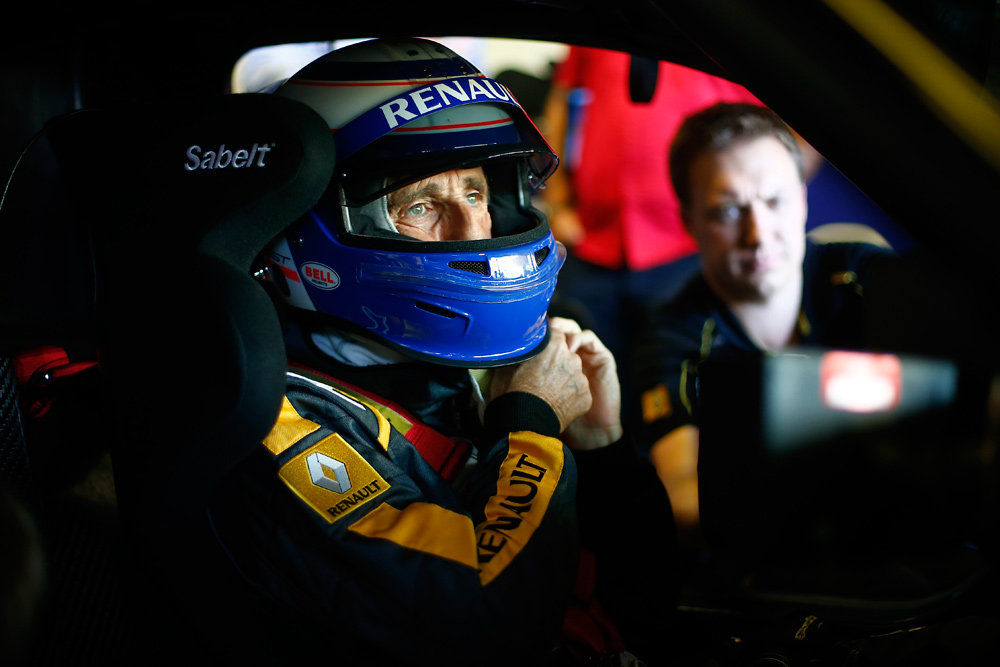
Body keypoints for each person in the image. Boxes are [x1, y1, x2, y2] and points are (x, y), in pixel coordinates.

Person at [209, 38, 675, 666]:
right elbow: (491, 622)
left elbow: (642, 611)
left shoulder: (464, 368)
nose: (471, 232)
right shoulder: (279, 418)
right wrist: (531, 425)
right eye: (422, 205)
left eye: (478, 195)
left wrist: (604, 450)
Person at [633, 102, 895, 542]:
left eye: (775, 201)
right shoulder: (673, 338)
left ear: (803, 198)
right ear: (690, 222)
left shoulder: (860, 273)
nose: (758, 233)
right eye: (728, 211)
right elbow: (682, 490)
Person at [540, 46, 763, 423]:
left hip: (684, 251)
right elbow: (562, 104)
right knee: (589, 398)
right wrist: (558, 200)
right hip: (592, 244)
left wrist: (761, 200)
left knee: (678, 396)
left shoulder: (726, 27)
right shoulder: (600, 21)